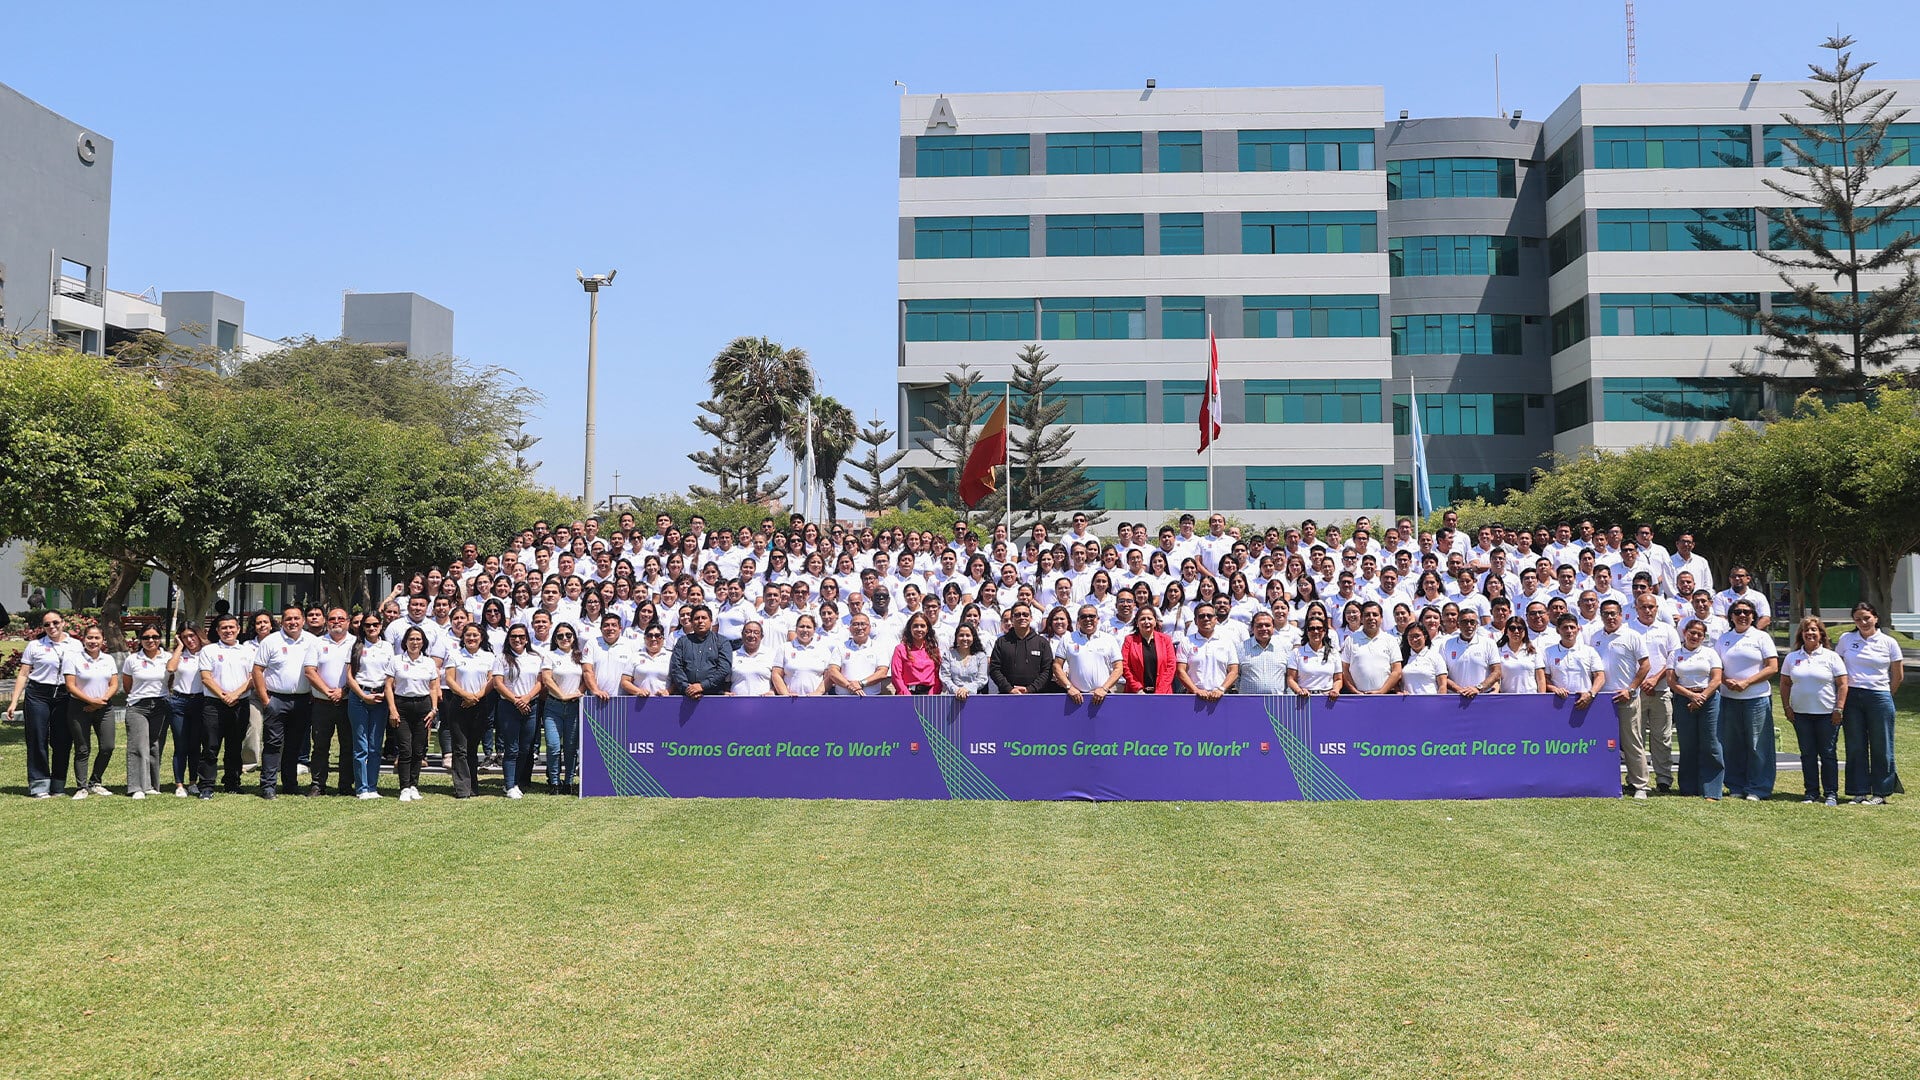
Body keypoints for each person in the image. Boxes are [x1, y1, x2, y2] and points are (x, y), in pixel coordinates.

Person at [7, 611, 82, 798]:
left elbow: (82, 672)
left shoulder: (75, 645)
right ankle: (39, 785)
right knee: (37, 738)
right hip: (38, 694)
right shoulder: (35, 645)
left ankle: (58, 785)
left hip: (65, 694)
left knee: (63, 739)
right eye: (47, 624)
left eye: (55, 622)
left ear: (63, 623)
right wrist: (14, 701)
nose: (51, 627)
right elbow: (24, 674)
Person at [1837, 602, 1904, 805]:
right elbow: (1837, 667)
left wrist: (1885, 694)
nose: (1863, 622)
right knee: (1855, 744)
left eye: (1866, 618)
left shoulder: (1888, 642)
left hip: (1879, 695)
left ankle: (1881, 792)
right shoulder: (1846, 639)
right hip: (1852, 697)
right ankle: (1859, 791)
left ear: (1875, 618)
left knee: (1881, 745)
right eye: (1858, 619)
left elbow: (1898, 675)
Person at [1781, 617, 1849, 807]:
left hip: (1827, 714)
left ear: (1821, 634)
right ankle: (1811, 792)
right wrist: (1787, 707)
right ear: (1801, 635)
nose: (1809, 633)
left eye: (1813, 630)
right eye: (1806, 630)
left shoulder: (1831, 657)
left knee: (1828, 754)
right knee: (1807, 754)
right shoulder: (1792, 658)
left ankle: (1831, 793)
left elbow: (1843, 684)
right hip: (1801, 714)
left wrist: (1839, 708)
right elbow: (1785, 684)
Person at [1716, 601, 1779, 802]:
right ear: (1731, 616)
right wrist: (1727, 681)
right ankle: (1735, 785)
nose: (1742, 615)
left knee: (1757, 746)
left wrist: (1746, 683)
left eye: (1747, 612)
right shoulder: (1723, 639)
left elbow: (1772, 667)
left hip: (1756, 699)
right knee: (1732, 745)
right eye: (1738, 612)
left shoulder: (1761, 637)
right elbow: (1716, 668)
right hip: (1729, 698)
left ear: (1753, 616)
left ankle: (1758, 788)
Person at [1591, 599, 1655, 798]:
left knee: (1632, 742)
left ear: (1621, 615)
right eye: (1606, 614)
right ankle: (1606, 781)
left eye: (1613, 614)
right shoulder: (1595, 637)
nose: (1610, 617)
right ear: (1600, 616)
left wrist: (1632, 688)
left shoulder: (1632, 636)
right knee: (1603, 742)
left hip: (1626, 697)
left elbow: (1645, 665)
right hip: (1601, 699)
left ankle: (1640, 785)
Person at [251, 606, 313, 800]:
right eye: (288, 619)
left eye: (296, 618)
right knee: (273, 743)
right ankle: (268, 786)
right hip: (276, 699)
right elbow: (257, 670)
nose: (292, 622)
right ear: (282, 621)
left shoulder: (312, 641)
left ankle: (290, 784)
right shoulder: (271, 641)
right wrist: (265, 699)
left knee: (294, 745)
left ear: (303, 620)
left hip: (303, 699)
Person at [196, 615, 255, 797]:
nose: (228, 631)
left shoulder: (248, 651)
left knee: (235, 745)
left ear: (238, 629)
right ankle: (206, 785)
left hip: (240, 703)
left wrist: (235, 695)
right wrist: (224, 696)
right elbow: (206, 677)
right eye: (224, 628)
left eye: (231, 627)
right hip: (214, 704)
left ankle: (232, 782)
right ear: (217, 631)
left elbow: (253, 678)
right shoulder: (209, 650)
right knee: (210, 746)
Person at [1667, 619, 1725, 800]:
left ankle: (1712, 790)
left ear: (1704, 637)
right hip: (1684, 699)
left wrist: (1701, 697)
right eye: (1692, 632)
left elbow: (1716, 679)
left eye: (1700, 634)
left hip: (1709, 699)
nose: (1695, 637)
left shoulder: (1710, 653)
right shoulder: (1675, 654)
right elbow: (1671, 681)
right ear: (1685, 633)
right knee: (1688, 745)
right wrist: (1691, 696)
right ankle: (1688, 788)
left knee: (1711, 744)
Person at [302, 608, 357, 798]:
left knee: (348, 745)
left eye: (341, 619)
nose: (336, 622)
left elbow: (359, 672)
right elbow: (310, 671)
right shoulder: (317, 643)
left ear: (348, 622)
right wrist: (328, 691)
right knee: (320, 746)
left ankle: (346, 785)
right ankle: (318, 784)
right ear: (327, 622)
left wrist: (344, 691)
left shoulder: (356, 643)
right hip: (322, 703)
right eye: (332, 619)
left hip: (348, 702)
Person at [62, 625, 120, 798]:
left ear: (103, 640)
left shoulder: (108, 659)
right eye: (89, 638)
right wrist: (90, 701)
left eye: (97, 638)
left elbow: (114, 684)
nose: (93, 641)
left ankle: (95, 781)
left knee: (108, 746)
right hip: (79, 708)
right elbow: (70, 686)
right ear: (83, 639)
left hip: (104, 708)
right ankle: (82, 787)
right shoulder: (73, 658)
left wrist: (100, 702)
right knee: (82, 748)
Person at [385, 626, 441, 803]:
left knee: (419, 749)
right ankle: (404, 787)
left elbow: (433, 687)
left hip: (423, 706)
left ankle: (414, 785)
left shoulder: (429, 662)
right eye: (411, 639)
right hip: (402, 705)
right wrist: (392, 710)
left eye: (418, 639)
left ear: (423, 642)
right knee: (405, 748)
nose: (415, 642)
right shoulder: (396, 660)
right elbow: (388, 686)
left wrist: (433, 709)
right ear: (405, 642)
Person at [442, 623, 496, 799]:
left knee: (472, 748)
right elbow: (449, 679)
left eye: (475, 635)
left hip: (480, 705)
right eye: (468, 635)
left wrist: (476, 697)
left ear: (481, 638)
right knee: (460, 749)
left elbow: (491, 680)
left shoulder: (489, 657)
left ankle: (473, 786)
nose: (471, 638)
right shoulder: (455, 655)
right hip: (459, 704)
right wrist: (465, 695)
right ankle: (462, 788)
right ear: (463, 637)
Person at [346, 614, 395, 799]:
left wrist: (386, 692)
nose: (371, 628)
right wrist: (362, 695)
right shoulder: (355, 645)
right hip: (359, 697)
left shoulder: (388, 647)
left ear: (381, 625)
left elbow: (392, 674)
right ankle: (361, 788)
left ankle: (372, 787)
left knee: (375, 745)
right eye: (367, 625)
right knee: (361, 745)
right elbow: (349, 676)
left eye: (375, 624)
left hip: (381, 697)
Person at [121, 627, 172, 799]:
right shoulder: (132, 659)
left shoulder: (168, 657)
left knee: (154, 745)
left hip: (161, 704)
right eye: (146, 637)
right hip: (138, 706)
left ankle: (151, 785)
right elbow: (127, 685)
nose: (151, 640)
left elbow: (171, 680)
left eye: (155, 637)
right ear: (140, 639)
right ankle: (136, 787)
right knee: (138, 746)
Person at [539, 625, 587, 793]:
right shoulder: (550, 655)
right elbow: (547, 679)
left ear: (574, 637)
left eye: (568, 635)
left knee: (571, 747)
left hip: (574, 706)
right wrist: (561, 695)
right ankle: (554, 782)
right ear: (555, 639)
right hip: (554, 707)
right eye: (560, 636)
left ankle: (568, 782)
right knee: (553, 746)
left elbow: (586, 678)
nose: (564, 638)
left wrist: (579, 692)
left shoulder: (580, 657)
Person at [165, 626, 206, 798]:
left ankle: (193, 782)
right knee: (181, 745)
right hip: (179, 702)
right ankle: (179, 784)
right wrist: (179, 647)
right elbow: (170, 669)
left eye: (192, 636)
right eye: (185, 637)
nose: (190, 640)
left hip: (200, 701)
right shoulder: (179, 655)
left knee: (195, 745)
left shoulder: (207, 652)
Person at [1053, 604, 1123, 706]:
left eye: (1091, 616)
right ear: (1078, 620)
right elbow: (1056, 666)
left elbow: (1119, 668)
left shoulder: (1109, 639)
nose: (1088, 619)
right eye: (1083, 617)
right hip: (1075, 698)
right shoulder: (1067, 639)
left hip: (1103, 696)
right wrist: (1069, 687)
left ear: (1098, 619)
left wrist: (1104, 688)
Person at [668, 605, 731, 698]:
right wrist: (688, 688)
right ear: (692, 622)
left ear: (711, 621)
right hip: (685, 696)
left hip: (714, 696)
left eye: (704, 618)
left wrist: (702, 686)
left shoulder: (721, 641)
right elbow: (676, 667)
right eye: (697, 618)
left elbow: (724, 669)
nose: (700, 621)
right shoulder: (682, 642)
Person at [989, 603, 1054, 695]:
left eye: (1025, 614)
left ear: (1031, 618)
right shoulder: (1001, 642)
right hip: (1008, 696)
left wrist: (1030, 689)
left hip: (1036, 696)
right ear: (1012, 619)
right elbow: (994, 669)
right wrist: (1009, 689)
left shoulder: (1042, 643)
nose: (1022, 617)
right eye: (1017, 615)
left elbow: (1047, 670)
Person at [1177, 606, 1239, 700]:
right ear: (1195, 620)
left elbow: (1234, 671)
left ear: (1216, 619)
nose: (1206, 618)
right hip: (1193, 697)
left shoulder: (1227, 642)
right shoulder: (1186, 642)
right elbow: (1180, 670)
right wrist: (1196, 690)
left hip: (1221, 697)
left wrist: (1221, 689)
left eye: (1209, 616)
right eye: (1201, 616)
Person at [1341, 601, 1403, 695]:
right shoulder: (1351, 639)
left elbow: (1397, 671)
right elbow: (1345, 670)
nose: (1371, 618)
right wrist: (1355, 692)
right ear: (1361, 619)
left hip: (1384, 697)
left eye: (1375, 614)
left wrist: (1381, 692)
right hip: (1358, 697)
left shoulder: (1390, 640)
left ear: (1381, 618)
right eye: (1367, 615)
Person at [1543, 614, 1603, 709]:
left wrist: (1591, 694)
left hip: (1585, 701)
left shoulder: (1589, 651)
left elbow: (1600, 676)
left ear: (1578, 629)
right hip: (1558, 703)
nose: (1569, 631)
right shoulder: (1548, 652)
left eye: (1572, 627)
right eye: (1565, 627)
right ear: (1558, 630)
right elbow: (1545, 678)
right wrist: (1554, 689)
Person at [826, 614, 891, 696]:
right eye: (855, 624)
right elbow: (832, 671)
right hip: (843, 699)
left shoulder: (879, 648)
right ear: (850, 628)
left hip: (871, 698)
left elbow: (882, 672)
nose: (860, 628)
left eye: (863, 624)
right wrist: (849, 686)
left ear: (870, 627)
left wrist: (861, 683)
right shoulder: (840, 647)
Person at [1440, 615, 1502, 700]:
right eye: (1465, 622)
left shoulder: (1489, 643)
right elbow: (1441, 675)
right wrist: (1461, 690)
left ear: (1477, 625)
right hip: (1455, 698)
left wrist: (1478, 688)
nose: (1469, 625)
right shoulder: (1446, 644)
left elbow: (1497, 672)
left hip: (1483, 697)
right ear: (1458, 625)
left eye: (1472, 622)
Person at [1122, 607, 1179, 694]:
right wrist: (1137, 688)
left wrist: (1160, 692)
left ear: (1155, 621)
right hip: (1136, 693)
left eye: (1150, 618)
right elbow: (1125, 666)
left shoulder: (1166, 640)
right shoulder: (1129, 640)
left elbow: (1171, 666)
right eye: (1142, 619)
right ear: (1137, 623)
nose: (1146, 622)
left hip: (1162, 694)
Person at [772, 615, 834, 696]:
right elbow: (776, 674)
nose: (805, 630)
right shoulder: (785, 648)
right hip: (790, 700)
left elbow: (828, 676)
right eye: (801, 626)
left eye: (808, 627)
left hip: (816, 700)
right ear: (796, 629)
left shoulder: (823, 649)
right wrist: (785, 694)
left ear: (814, 630)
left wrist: (818, 693)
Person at [1287, 619, 1343, 699]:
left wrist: (1335, 690)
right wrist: (1299, 691)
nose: (1316, 631)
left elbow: (1338, 679)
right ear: (1307, 631)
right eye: (1312, 629)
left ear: (1324, 631)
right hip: (1304, 699)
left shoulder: (1333, 653)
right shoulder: (1297, 652)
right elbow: (1291, 678)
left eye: (1319, 628)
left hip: (1327, 699)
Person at [890, 612, 942, 695]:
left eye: (922, 626)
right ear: (910, 629)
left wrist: (932, 694)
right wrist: (906, 695)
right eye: (915, 626)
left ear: (927, 629)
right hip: (907, 694)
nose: (919, 629)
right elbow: (896, 676)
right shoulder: (900, 649)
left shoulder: (934, 650)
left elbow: (937, 676)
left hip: (929, 695)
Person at [940, 623, 991, 700]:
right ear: (956, 637)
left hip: (974, 698)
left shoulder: (981, 656)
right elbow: (945, 677)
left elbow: (982, 679)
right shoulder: (948, 655)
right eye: (961, 635)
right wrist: (957, 690)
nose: (964, 638)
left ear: (973, 637)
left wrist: (966, 689)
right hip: (952, 698)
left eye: (968, 635)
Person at [1497, 617, 1546, 695]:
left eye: (1520, 628)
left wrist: (1542, 698)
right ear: (1506, 631)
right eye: (1512, 628)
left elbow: (1540, 679)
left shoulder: (1534, 650)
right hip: (1507, 698)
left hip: (1530, 697)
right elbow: (1496, 678)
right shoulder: (1498, 651)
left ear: (1525, 632)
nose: (1516, 631)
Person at [620, 624, 673, 696]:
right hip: (640, 702)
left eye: (657, 636)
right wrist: (638, 691)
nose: (653, 638)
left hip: (665, 701)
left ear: (663, 638)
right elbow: (625, 681)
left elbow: (677, 682)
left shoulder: (670, 657)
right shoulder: (635, 656)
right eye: (649, 636)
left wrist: (668, 691)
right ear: (644, 638)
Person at [1397, 624, 1449, 696]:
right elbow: (1395, 681)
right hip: (1407, 703)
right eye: (1411, 637)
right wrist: (1399, 692)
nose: (1414, 639)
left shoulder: (1435, 657)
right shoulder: (1402, 658)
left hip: (1430, 703)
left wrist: (1439, 703)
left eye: (1417, 636)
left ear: (1425, 636)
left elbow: (1442, 685)